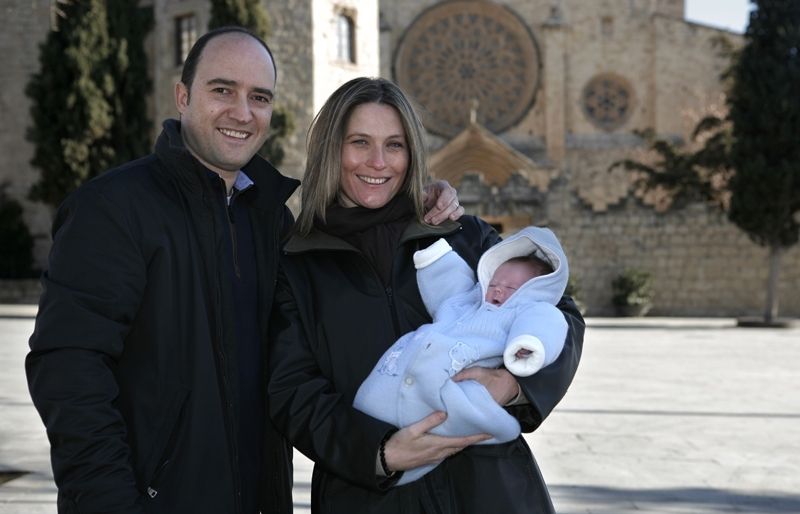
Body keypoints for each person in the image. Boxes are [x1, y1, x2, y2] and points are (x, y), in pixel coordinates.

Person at [25, 28, 461, 514]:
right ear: (183, 96)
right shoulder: (112, 209)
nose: (242, 112)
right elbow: (68, 370)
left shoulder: (273, 221)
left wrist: (417, 203)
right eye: (222, 90)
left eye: (259, 97)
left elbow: (299, 373)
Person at [267, 77, 585, 514]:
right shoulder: (297, 264)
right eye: (359, 142)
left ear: (412, 153)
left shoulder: (461, 234)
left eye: (394, 145)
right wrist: (380, 453)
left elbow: (559, 311)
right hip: (367, 497)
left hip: (490, 491)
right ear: (330, 149)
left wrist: (514, 385)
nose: (378, 161)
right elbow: (292, 390)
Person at [353, 226, 570, 485]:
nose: (498, 291)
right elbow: (451, 286)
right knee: (376, 393)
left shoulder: (529, 310)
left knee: (451, 413)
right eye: (494, 283)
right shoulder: (470, 300)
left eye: (511, 288)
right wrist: (436, 259)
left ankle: (459, 430)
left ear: (532, 292)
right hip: (410, 363)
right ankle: (377, 435)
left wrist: (526, 346)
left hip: (459, 383)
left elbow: (546, 324)